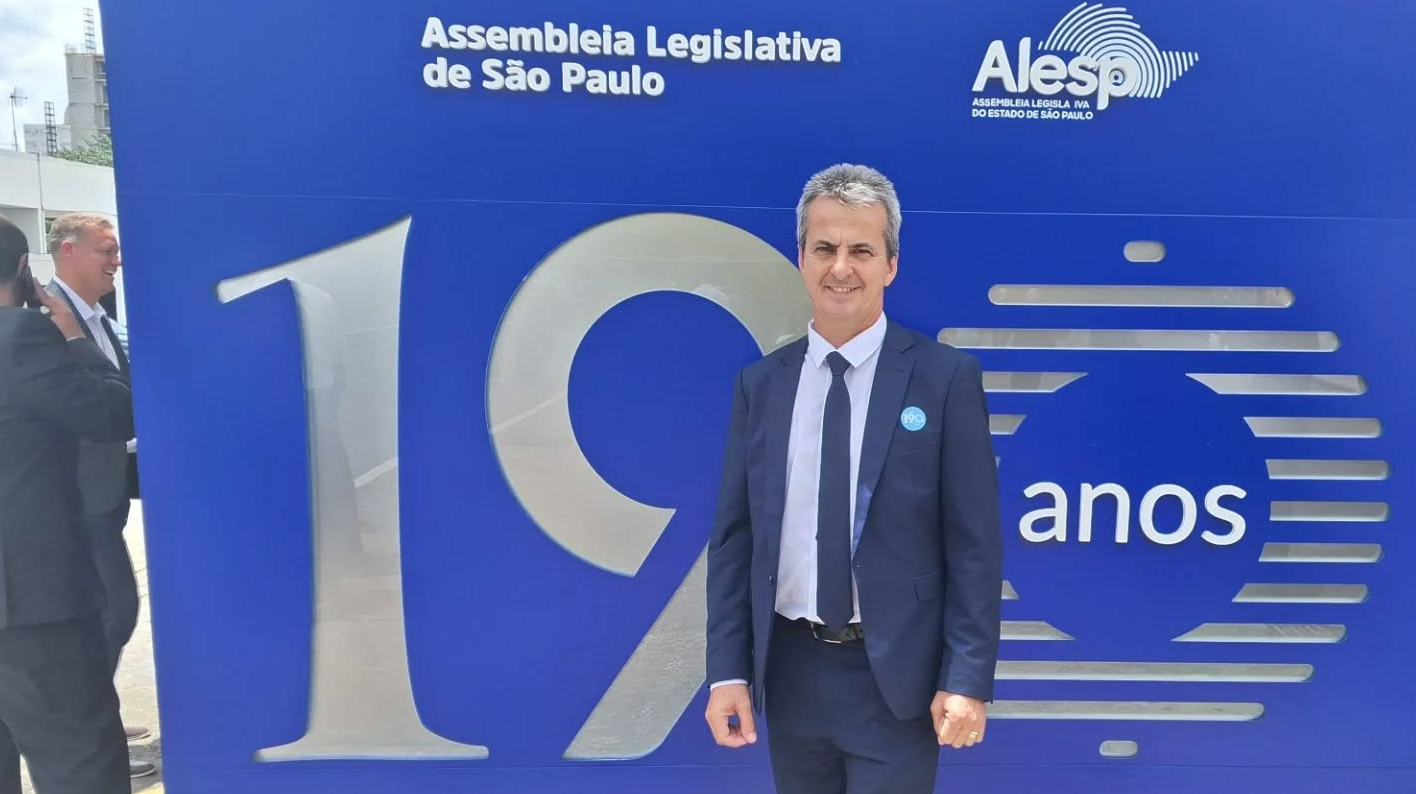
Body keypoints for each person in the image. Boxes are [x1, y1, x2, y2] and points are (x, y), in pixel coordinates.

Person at [704, 164, 1004, 793]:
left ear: (890, 265)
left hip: (897, 679)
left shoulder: (945, 380)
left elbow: (974, 547)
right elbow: (735, 540)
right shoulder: (761, 385)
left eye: (861, 250)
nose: (841, 266)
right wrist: (727, 671)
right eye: (825, 248)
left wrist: (968, 677)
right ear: (802, 259)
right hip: (790, 673)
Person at [0, 215, 132, 793]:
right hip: (32, 605)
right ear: (27, 271)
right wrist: (71, 336)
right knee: (81, 758)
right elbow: (113, 412)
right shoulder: (21, 338)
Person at [44, 213, 156, 779]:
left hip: (107, 493)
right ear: (68, 251)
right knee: (113, 611)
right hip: (77, 499)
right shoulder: (47, 322)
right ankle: (92, 728)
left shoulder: (97, 320)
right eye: (107, 250)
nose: (117, 260)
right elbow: (89, 410)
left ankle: (100, 714)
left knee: (109, 613)